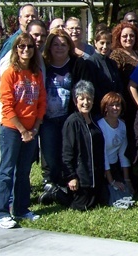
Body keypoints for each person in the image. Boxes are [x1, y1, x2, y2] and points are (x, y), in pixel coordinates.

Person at [0, 33, 46, 229]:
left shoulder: (36, 74)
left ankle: (21, 208)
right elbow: (7, 105)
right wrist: (22, 130)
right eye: (22, 46)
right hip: (11, 129)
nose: (26, 50)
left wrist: (34, 128)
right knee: (7, 171)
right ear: (16, 49)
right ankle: (1, 212)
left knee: (24, 171)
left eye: (30, 47)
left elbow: (41, 103)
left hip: (31, 129)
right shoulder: (10, 73)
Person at [39, 28, 94, 194]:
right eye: (55, 44)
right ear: (49, 46)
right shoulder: (43, 65)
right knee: (49, 152)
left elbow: (83, 89)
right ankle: (50, 182)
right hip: (47, 117)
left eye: (63, 44)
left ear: (69, 46)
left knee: (67, 150)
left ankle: (67, 181)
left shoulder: (77, 64)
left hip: (67, 116)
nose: (59, 47)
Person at [61, 80, 107, 211]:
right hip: (80, 179)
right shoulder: (72, 122)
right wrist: (71, 177)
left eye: (89, 99)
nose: (85, 103)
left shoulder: (94, 120)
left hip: (95, 178)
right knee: (82, 206)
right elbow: (67, 152)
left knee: (101, 202)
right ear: (76, 101)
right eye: (82, 99)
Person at [97, 92, 135, 209]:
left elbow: (123, 154)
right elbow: (103, 155)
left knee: (126, 191)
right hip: (102, 167)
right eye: (111, 105)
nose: (115, 108)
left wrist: (127, 179)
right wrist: (111, 181)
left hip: (114, 166)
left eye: (118, 105)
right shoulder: (100, 125)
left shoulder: (122, 125)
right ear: (105, 107)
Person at [109, 22, 138, 152]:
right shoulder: (117, 54)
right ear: (118, 37)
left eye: (132, 36)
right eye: (125, 36)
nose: (128, 39)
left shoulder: (137, 53)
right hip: (125, 101)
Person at [87, 30, 121, 106]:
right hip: (99, 105)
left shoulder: (112, 63)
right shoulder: (90, 62)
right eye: (102, 43)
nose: (105, 47)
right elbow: (93, 87)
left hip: (113, 105)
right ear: (95, 43)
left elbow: (118, 84)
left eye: (108, 43)